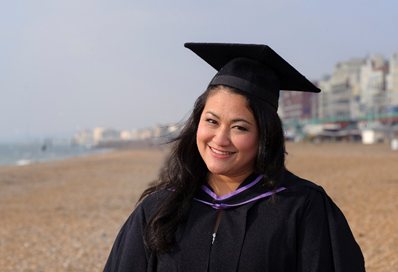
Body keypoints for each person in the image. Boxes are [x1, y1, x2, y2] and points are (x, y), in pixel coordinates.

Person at [104, 43, 365, 272]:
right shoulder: (158, 209)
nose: (220, 139)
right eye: (211, 121)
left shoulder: (302, 207)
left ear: (264, 135)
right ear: (197, 123)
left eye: (240, 127)